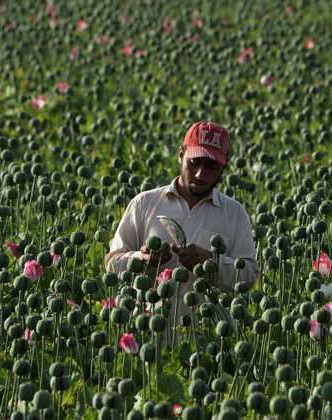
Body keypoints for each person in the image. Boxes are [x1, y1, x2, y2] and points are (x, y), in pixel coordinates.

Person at [105, 121, 259, 331]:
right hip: (147, 330)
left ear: (225, 166)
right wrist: (142, 260)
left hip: (207, 335)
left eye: (211, 167)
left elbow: (249, 275)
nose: (200, 174)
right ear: (180, 154)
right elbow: (112, 262)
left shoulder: (234, 214)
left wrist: (211, 263)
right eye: (194, 163)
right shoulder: (145, 204)